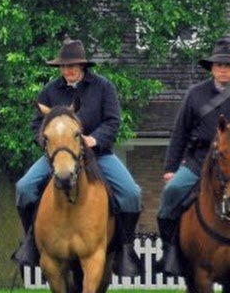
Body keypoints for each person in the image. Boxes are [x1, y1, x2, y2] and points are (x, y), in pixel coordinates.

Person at [13, 40, 143, 276]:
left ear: (82, 65)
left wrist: (95, 139)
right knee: (25, 187)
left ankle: (125, 248)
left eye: (72, 65)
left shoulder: (104, 87)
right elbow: (37, 124)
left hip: (97, 155)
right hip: (59, 155)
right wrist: (48, 144)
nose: (67, 70)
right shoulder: (49, 91)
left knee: (131, 193)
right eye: (63, 66)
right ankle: (31, 240)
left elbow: (113, 121)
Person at [157, 36, 230, 277]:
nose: (223, 69)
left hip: (229, 164)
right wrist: (171, 168)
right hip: (198, 160)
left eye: (228, 65)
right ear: (212, 67)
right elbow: (180, 132)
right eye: (219, 65)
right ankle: (169, 250)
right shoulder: (195, 94)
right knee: (172, 193)